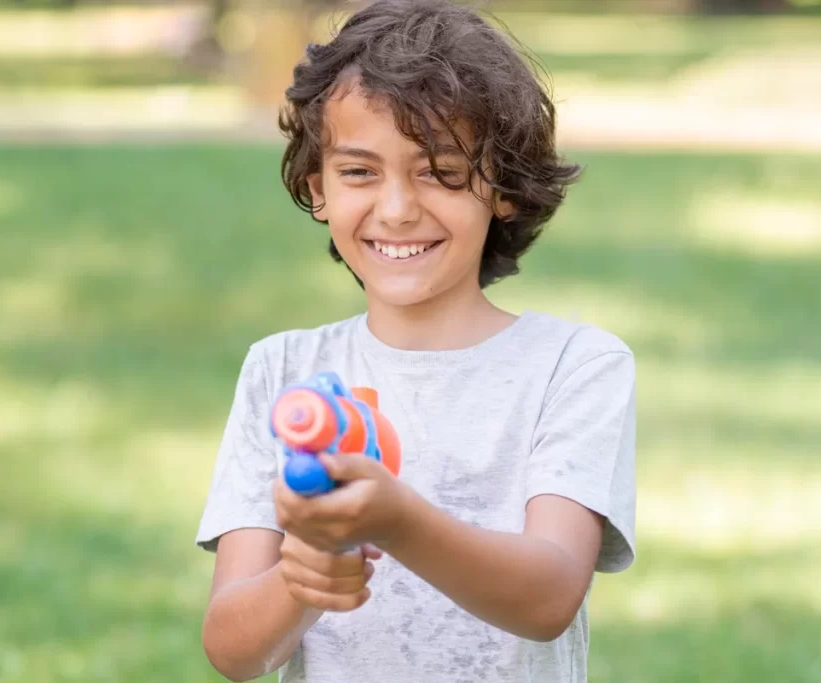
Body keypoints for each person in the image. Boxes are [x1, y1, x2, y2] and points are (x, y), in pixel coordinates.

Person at [195, 1, 637, 681]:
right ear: (318, 188)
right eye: (359, 171)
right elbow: (233, 649)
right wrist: (304, 575)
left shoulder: (572, 367)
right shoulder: (283, 369)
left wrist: (396, 519)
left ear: (505, 188)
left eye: (440, 170)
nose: (397, 208)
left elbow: (549, 595)